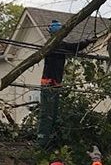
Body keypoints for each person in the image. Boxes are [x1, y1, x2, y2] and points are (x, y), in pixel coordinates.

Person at [37, 20, 96, 148]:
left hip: (56, 83)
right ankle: (43, 140)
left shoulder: (61, 45)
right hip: (48, 83)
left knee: (53, 113)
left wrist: (87, 42)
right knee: (47, 113)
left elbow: (74, 47)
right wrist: (86, 42)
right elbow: (73, 47)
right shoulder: (50, 46)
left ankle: (51, 139)